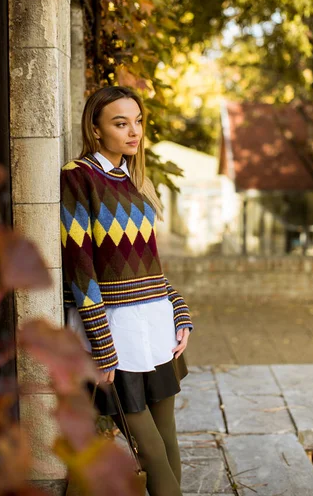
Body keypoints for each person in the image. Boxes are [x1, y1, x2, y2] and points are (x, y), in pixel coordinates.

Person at [60, 86, 193, 496]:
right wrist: (101, 347)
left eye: (137, 121)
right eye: (120, 123)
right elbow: (80, 271)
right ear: (95, 130)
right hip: (115, 332)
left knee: (169, 443)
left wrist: (180, 312)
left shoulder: (136, 181)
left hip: (155, 327)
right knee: (150, 450)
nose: (133, 132)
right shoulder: (79, 177)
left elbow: (151, 266)